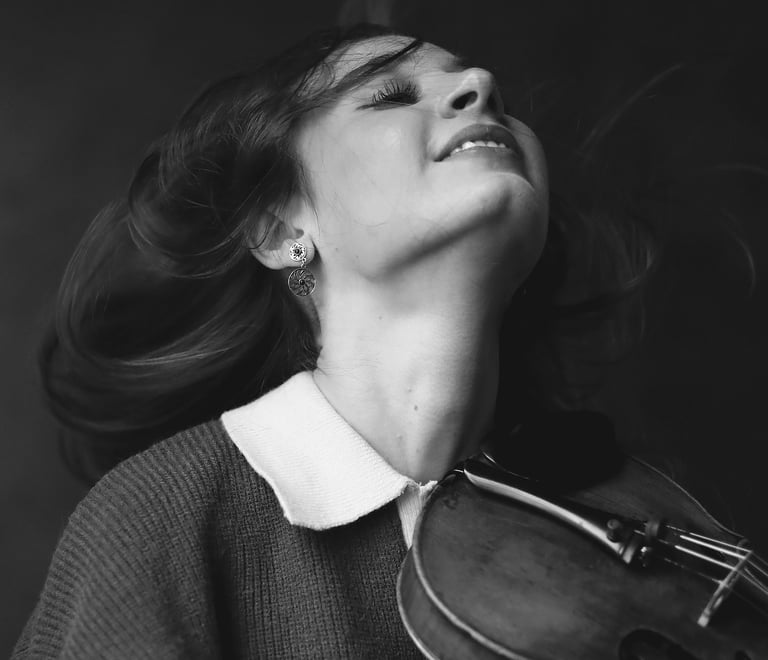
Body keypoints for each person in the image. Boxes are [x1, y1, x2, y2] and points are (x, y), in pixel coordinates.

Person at [13, 22, 650, 658]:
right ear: (278, 229)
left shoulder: (632, 519)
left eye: (496, 98)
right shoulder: (160, 514)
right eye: (392, 96)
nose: (481, 86)